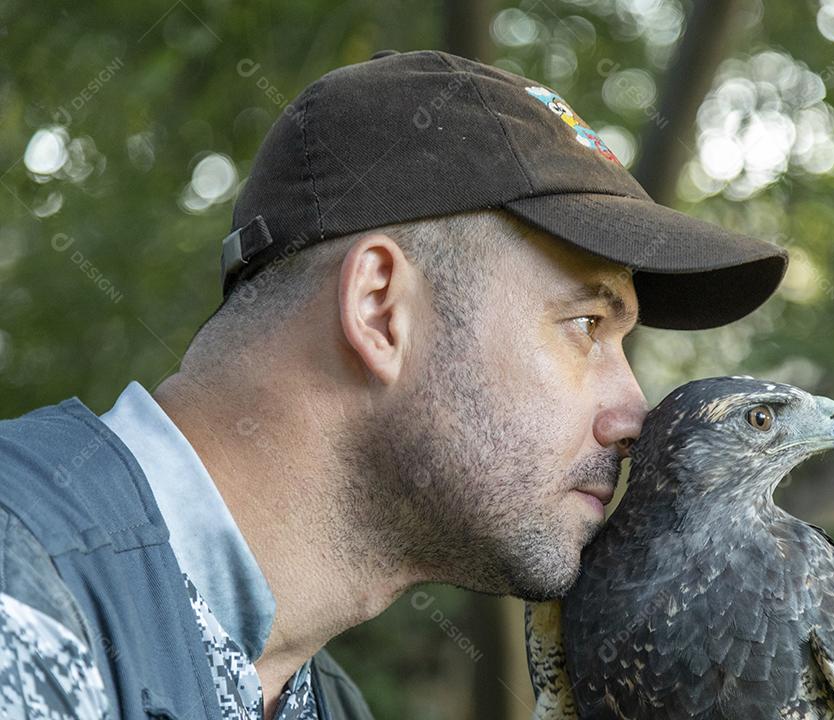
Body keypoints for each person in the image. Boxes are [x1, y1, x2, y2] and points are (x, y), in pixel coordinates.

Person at [0, 49, 787, 719]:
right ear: (380, 311)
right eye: (587, 325)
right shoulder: (26, 591)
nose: (632, 414)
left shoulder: (320, 699)